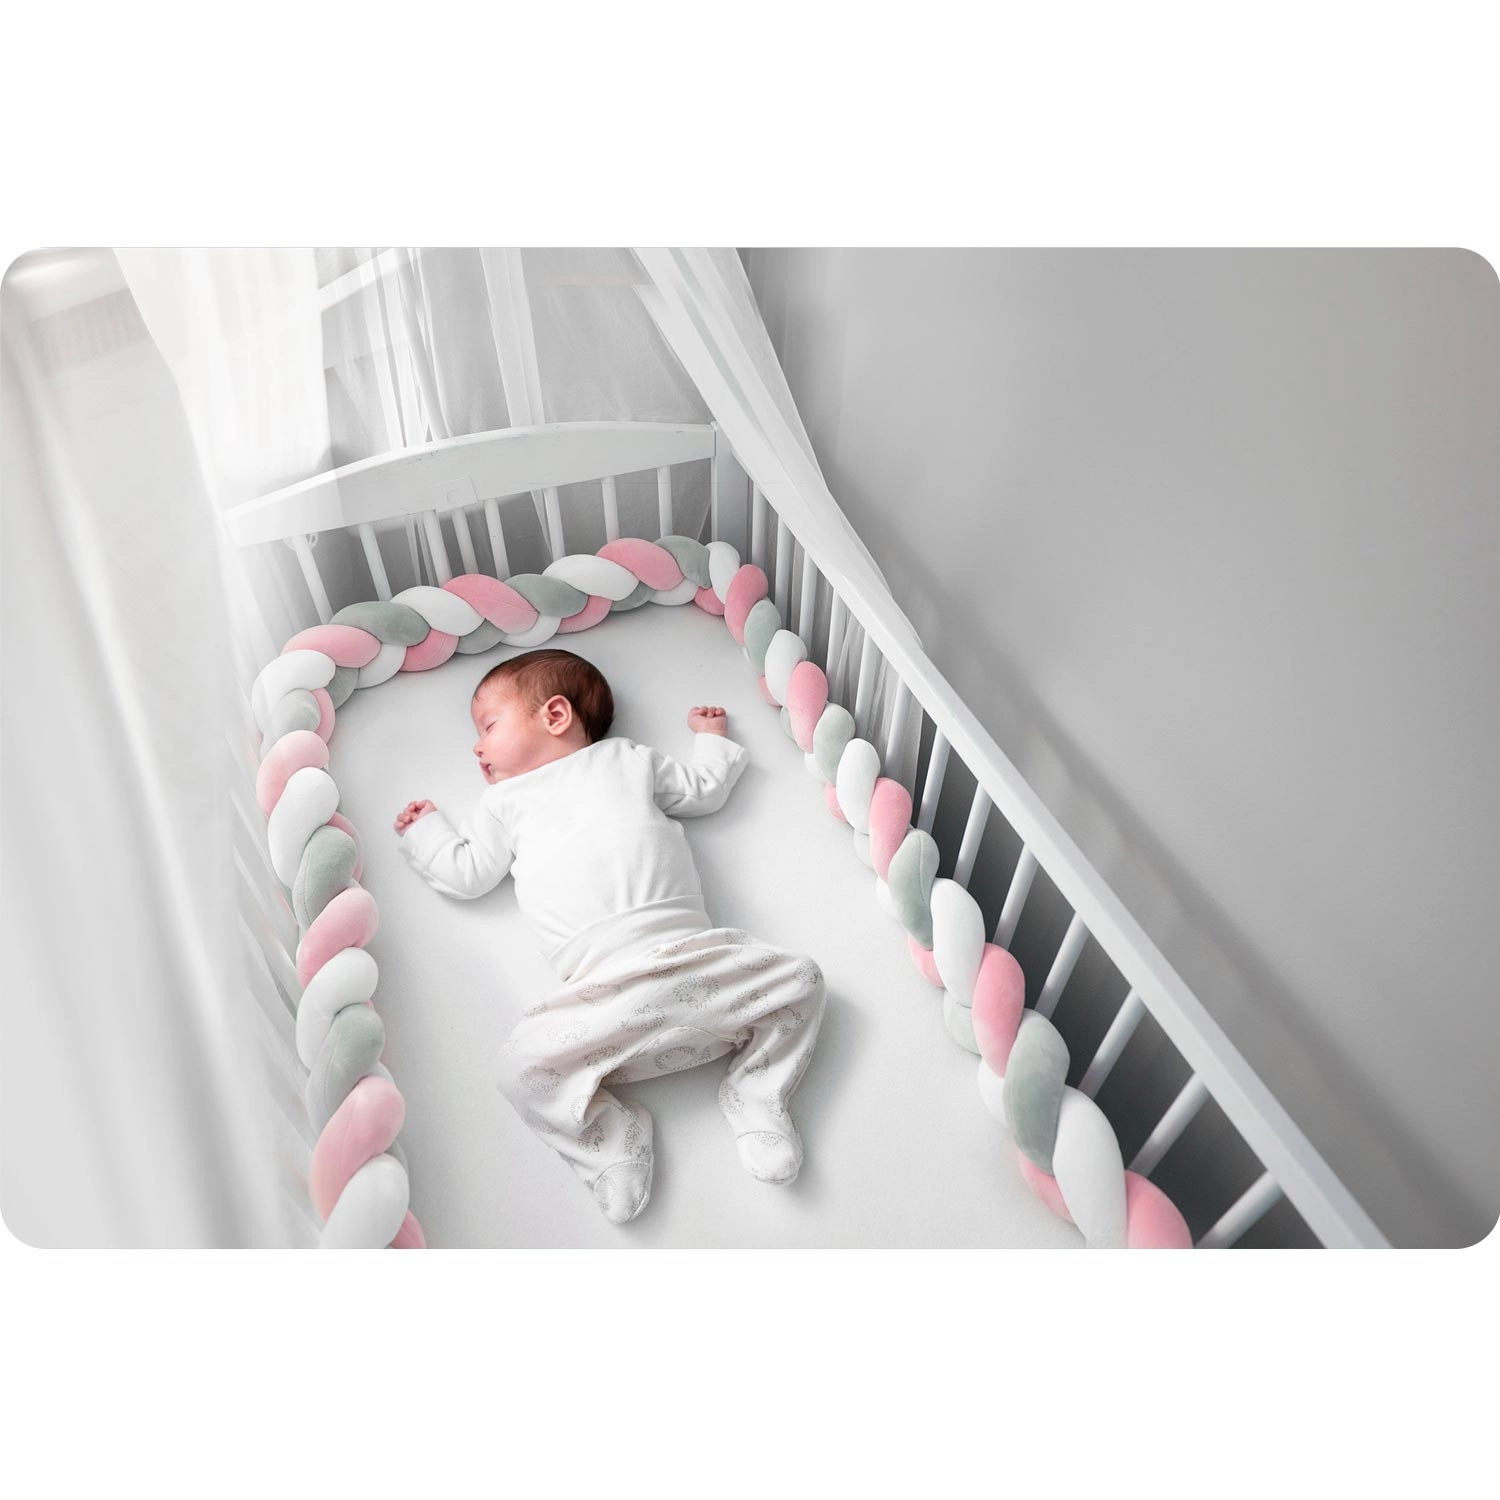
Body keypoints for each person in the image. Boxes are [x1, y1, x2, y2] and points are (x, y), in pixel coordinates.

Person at [395, 647, 827, 1224]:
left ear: (555, 715)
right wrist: (427, 832)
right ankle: (611, 1141)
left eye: (488, 727)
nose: (477, 748)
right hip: (601, 1001)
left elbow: (702, 790)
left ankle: (757, 1091)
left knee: (802, 978)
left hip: (696, 965)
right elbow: (469, 874)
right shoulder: (502, 804)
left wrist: (711, 740)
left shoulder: (626, 759)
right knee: (518, 1071)